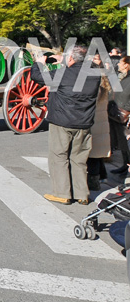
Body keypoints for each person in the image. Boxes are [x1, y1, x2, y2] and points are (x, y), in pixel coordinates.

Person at [29, 45, 100, 205]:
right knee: (79, 158)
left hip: (62, 122)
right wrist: (65, 61)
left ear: (70, 59)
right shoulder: (94, 74)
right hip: (84, 123)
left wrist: (39, 63)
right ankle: (82, 194)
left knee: (59, 156)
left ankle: (62, 193)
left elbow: (37, 76)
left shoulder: (62, 74)